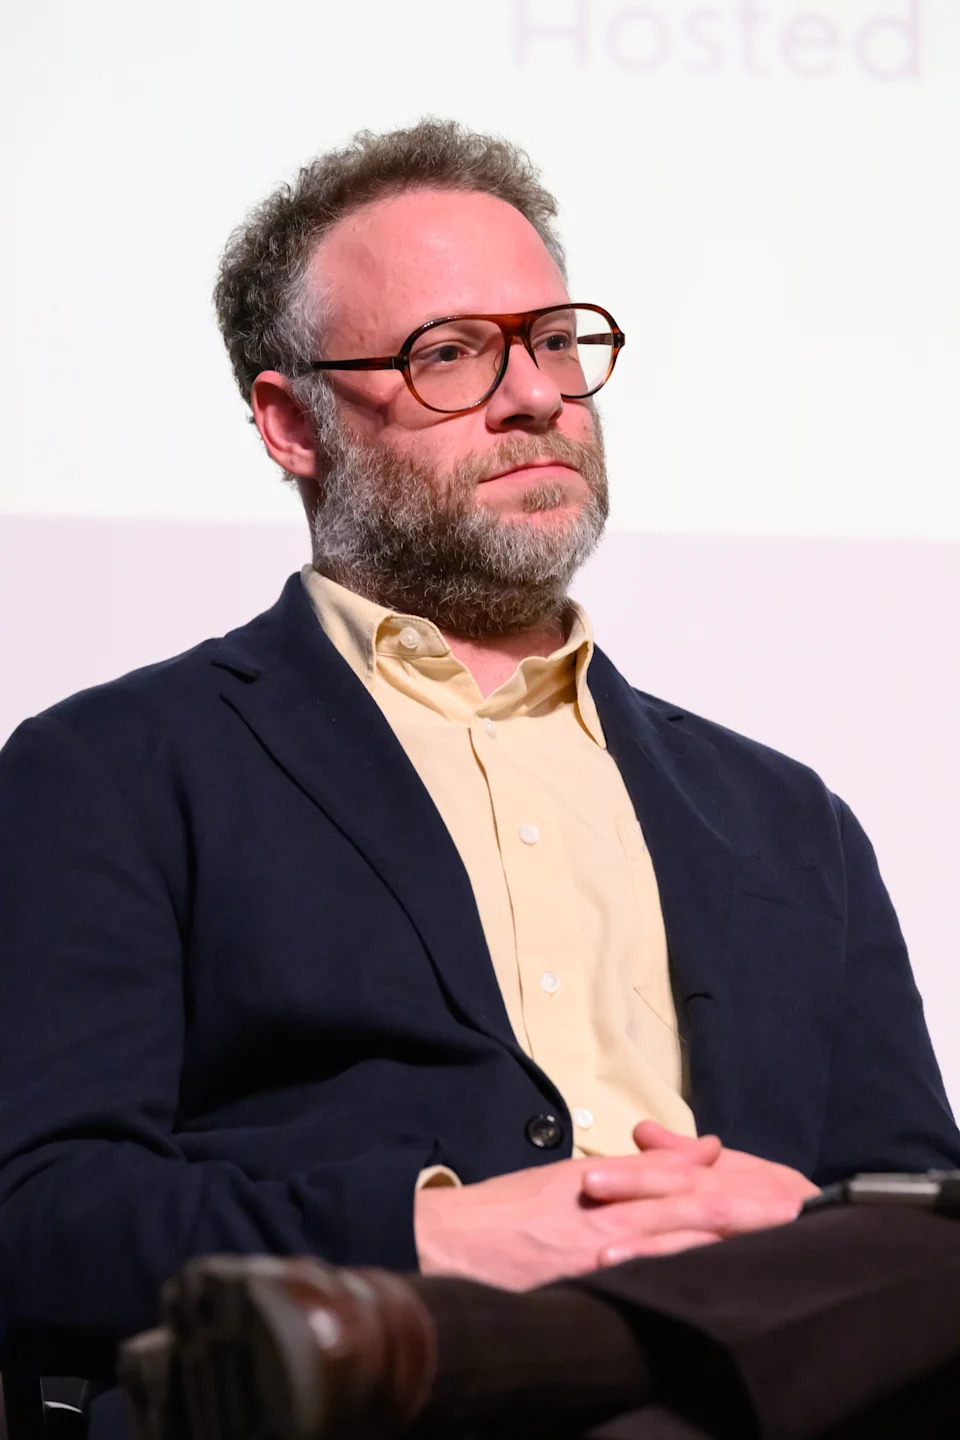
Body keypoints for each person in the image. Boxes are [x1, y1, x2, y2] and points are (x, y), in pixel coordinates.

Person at [0, 119, 957, 1421]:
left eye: (556, 340)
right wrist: (431, 1238)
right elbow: (39, 1214)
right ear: (291, 422)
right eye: (451, 353)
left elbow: (919, 1232)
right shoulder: (113, 770)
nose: (537, 396)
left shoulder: (785, 819)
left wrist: (797, 1220)